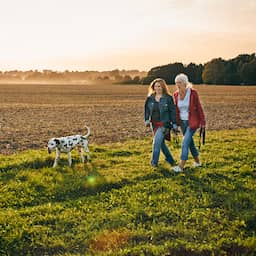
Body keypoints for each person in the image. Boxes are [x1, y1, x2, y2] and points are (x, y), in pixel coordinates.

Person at [172, 73, 206, 172]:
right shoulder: (176, 94)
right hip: (182, 122)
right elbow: (176, 110)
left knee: (185, 142)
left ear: (185, 83)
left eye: (180, 82)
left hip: (192, 122)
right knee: (190, 142)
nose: (177, 85)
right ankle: (198, 162)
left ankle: (181, 166)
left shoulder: (193, 93)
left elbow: (199, 107)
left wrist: (203, 122)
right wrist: (174, 123)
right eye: (176, 83)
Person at [144, 78, 178, 167]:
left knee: (156, 143)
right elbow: (147, 110)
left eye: (159, 86)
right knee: (161, 143)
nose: (157, 88)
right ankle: (170, 160)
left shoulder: (168, 98)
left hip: (164, 125)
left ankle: (154, 163)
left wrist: (174, 124)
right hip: (154, 124)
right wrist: (146, 119)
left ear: (163, 87)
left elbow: (172, 111)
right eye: (155, 86)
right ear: (153, 87)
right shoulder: (150, 98)